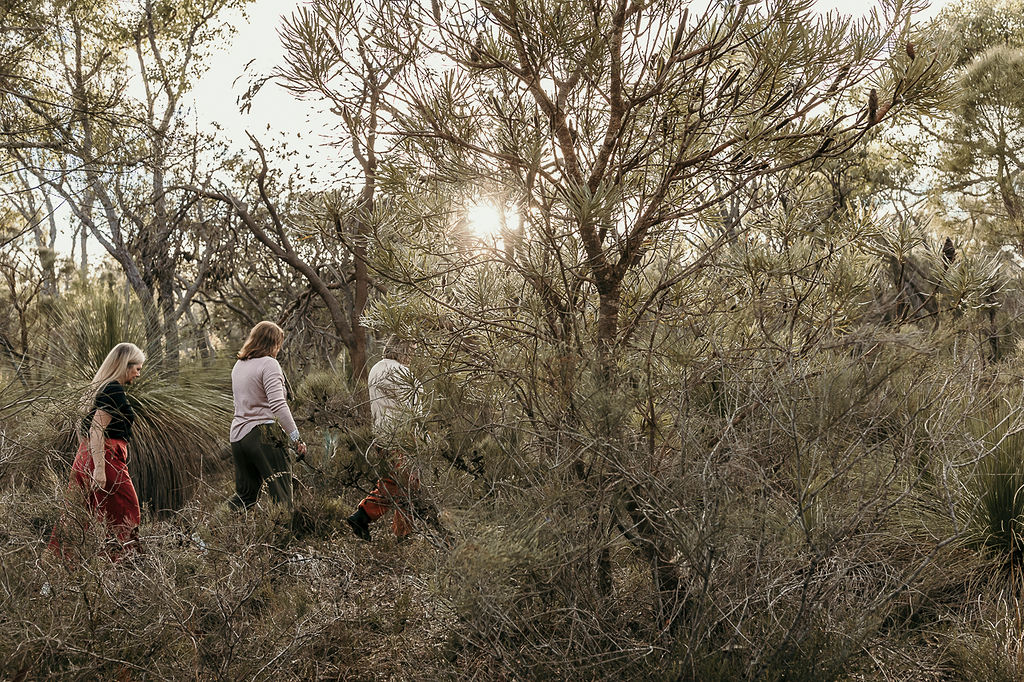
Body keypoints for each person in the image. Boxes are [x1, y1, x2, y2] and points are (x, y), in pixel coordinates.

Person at [50, 342, 146, 556]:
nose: (138, 374)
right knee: (126, 512)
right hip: (106, 458)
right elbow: (96, 429)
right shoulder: (114, 389)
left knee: (78, 515)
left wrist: (91, 461)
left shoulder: (99, 388)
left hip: (86, 458)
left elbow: (84, 428)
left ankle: (65, 564)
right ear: (125, 365)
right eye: (137, 369)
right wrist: (100, 470)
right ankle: (120, 565)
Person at [347, 340, 422, 542]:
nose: (413, 355)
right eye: (411, 350)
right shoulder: (401, 372)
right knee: (404, 483)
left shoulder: (377, 368)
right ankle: (364, 516)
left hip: (381, 435)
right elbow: (414, 410)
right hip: (401, 436)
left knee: (400, 482)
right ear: (402, 349)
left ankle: (402, 533)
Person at [229, 321, 307, 510]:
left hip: (238, 437)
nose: (279, 349)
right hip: (263, 434)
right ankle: (284, 533)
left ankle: (210, 528)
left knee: (245, 497)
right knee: (282, 498)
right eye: (279, 344)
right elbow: (278, 404)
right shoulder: (269, 364)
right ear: (273, 343)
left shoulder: (239, 365)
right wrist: (296, 437)